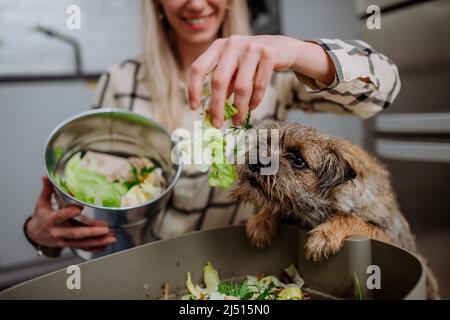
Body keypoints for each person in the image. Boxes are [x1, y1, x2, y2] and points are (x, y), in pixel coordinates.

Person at [24, 0, 400, 257]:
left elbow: (383, 91)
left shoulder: (275, 77)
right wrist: (44, 238)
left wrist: (297, 52)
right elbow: (103, 216)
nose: (196, 3)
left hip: (244, 273)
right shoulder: (119, 83)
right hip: (146, 270)